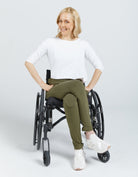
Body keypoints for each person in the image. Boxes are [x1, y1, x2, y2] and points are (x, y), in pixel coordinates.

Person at [25, 7, 111, 170]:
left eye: (66, 21)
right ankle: (90, 134)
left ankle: (78, 152)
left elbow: (99, 66)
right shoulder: (50, 42)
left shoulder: (83, 44)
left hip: (75, 92)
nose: (62, 24)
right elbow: (29, 62)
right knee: (78, 84)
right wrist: (43, 86)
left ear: (74, 24)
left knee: (71, 99)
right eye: (60, 20)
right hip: (56, 87)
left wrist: (90, 86)